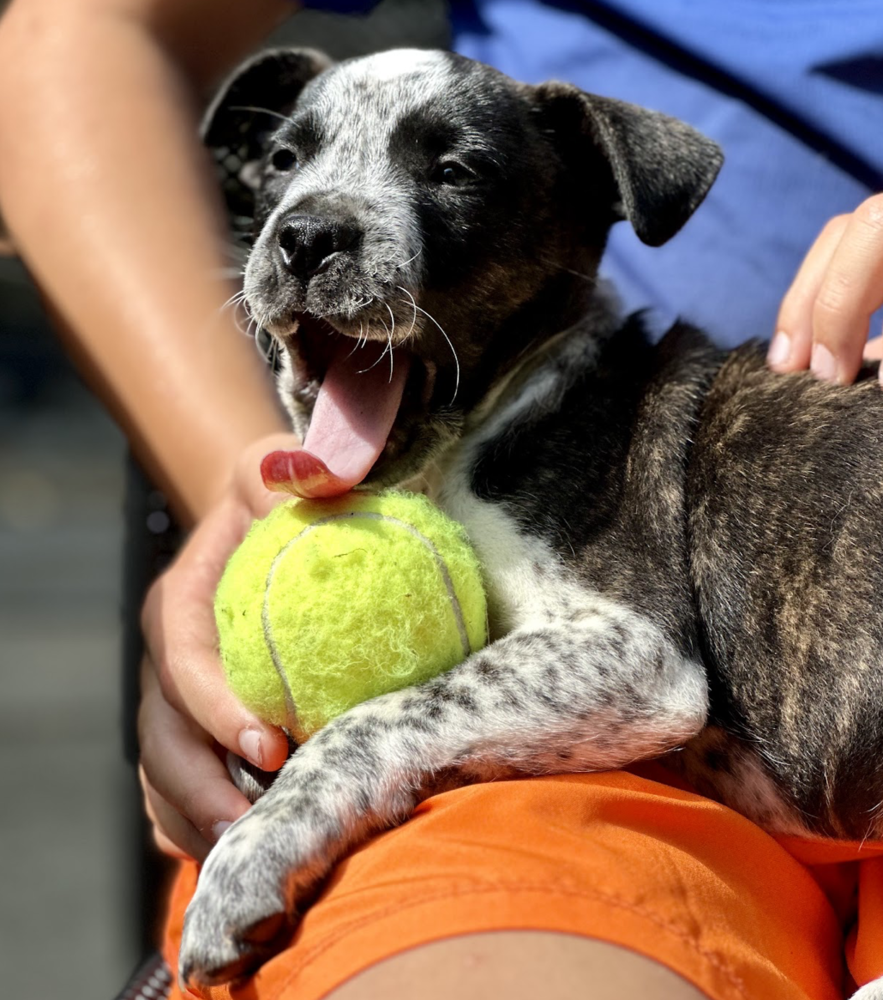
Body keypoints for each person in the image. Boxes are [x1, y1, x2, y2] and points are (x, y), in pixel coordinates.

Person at [1, 1, 883, 997]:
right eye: (289, 162)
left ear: (588, 197)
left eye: (450, 169)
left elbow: (638, 670)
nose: (316, 217)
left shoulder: (602, 441)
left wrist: (347, 766)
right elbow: (79, 35)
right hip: (629, 819)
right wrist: (229, 482)